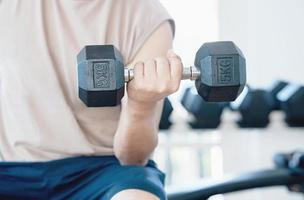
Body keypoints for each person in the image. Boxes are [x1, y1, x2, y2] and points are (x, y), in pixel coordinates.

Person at [0, 0, 182, 199]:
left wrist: (141, 105)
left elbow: (134, 158)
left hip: (102, 171)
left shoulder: (147, 17)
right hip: (10, 170)